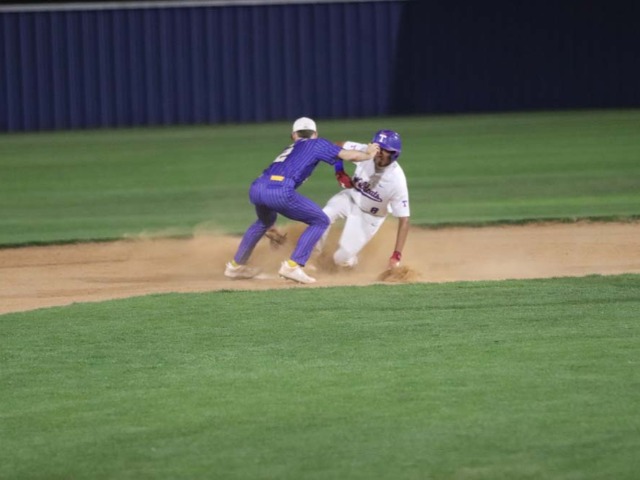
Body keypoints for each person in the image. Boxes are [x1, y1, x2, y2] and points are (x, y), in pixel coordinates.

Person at [224, 117, 379, 284]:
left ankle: (235, 266)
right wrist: (369, 154)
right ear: (315, 134)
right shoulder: (316, 143)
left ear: (294, 135)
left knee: (264, 222)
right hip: (279, 190)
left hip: (257, 187)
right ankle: (293, 266)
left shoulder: (290, 148)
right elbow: (348, 155)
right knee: (320, 220)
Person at [317, 129, 410, 270]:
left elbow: (404, 220)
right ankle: (311, 257)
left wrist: (396, 255)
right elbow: (336, 146)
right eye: (377, 146)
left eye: (384, 149)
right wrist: (339, 171)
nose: (378, 152)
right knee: (323, 216)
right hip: (350, 198)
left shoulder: (397, 181)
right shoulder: (366, 151)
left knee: (341, 259)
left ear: (394, 154)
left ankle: (351, 260)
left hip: (369, 217)